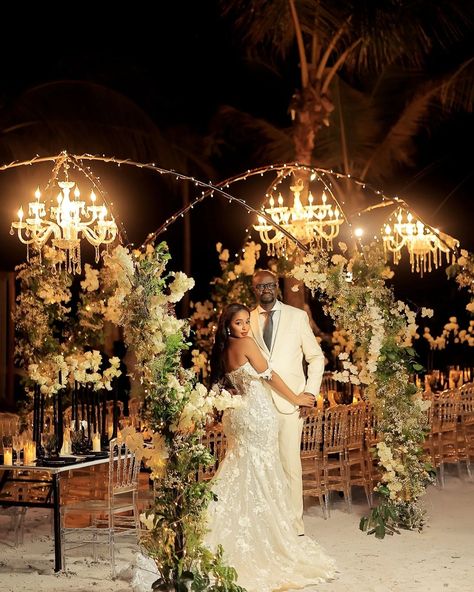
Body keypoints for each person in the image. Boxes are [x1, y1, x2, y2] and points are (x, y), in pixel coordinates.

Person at [205, 303, 335, 592]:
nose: (244, 327)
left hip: (236, 414)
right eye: (238, 323)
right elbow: (270, 376)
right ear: (229, 326)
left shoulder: (224, 350)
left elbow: (225, 383)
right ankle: (265, 536)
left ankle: (239, 527)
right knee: (262, 467)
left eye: (245, 322)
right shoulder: (247, 344)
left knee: (240, 465)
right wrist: (296, 398)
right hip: (256, 412)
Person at [250, 269, 325, 535]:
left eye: (270, 285)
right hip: (257, 404)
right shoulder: (246, 320)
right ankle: (269, 522)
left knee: (290, 464)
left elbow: (316, 358)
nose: (265, 290)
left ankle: (294, 526)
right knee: (262, 463)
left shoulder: (297, 317)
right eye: (260, 287)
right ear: (254, 289)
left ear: (277, 287)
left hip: (291, 403)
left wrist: (309, 394)